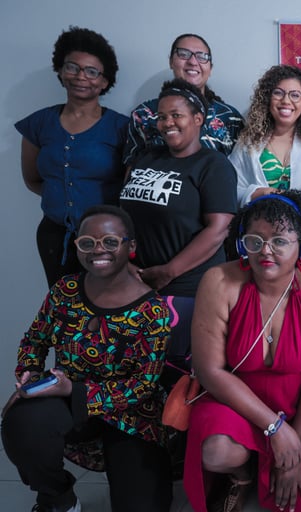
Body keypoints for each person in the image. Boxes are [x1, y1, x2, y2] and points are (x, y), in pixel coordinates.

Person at [1, 205, 172, 512]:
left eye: (110, 241)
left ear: (131, 246)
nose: (98, 250)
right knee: (21, 423)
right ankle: (58, 498)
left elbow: (143, 385)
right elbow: (34, 341)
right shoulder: (64, 290)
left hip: (132, 417)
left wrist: (75, 391)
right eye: (87, 242)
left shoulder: (153, 311)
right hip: (68, 402)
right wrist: (31, 375)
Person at [183, 190, 301, 512]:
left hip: (293, 408)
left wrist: (293, 443)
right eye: (255, 241)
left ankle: (267, 456)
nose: (265, 251)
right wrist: (275, 429)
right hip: (231, 400)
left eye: (280, 241)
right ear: (242, 245)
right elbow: (210, 370)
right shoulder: (219, 281)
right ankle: (241, 473)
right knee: (217, 451)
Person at [120, 78, 237, 383]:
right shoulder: (145, 158)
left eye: (176, 115)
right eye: (161, 116)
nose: (167, 123)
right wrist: (126, 265)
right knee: (133, 374)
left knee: (173, 378)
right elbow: (123, 216)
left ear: (198, 119)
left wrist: (168, 272)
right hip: (136, 283)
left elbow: (219, 228)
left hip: (186, 289)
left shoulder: (214, 165)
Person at [17, 26, 128, 288]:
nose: (80, 76)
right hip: (53, 236)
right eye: (72, 67)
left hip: (106, 240)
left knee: (102, 303)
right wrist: (64, 201)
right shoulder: (39, 123)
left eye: (91, 71)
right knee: (61, 303)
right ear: (60, 71)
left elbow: (129, 189)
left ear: (104, 81)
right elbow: (32, 179)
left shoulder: (122, 128)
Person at [229, 64, 301, 215]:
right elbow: (230, 190)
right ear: (267, 98)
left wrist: (300, 203)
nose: (286, 101)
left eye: (295, 95)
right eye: (278, 93)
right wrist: (261, 193)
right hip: (258, 225)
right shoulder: (249, 142)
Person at [123, 33, 243, 168]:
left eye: (202, 57)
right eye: (183, 54)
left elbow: (241, 171)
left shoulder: (231, 118)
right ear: (171, 62)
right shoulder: (144, 114)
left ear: (210, 68)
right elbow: (132, 169)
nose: (193, 62)